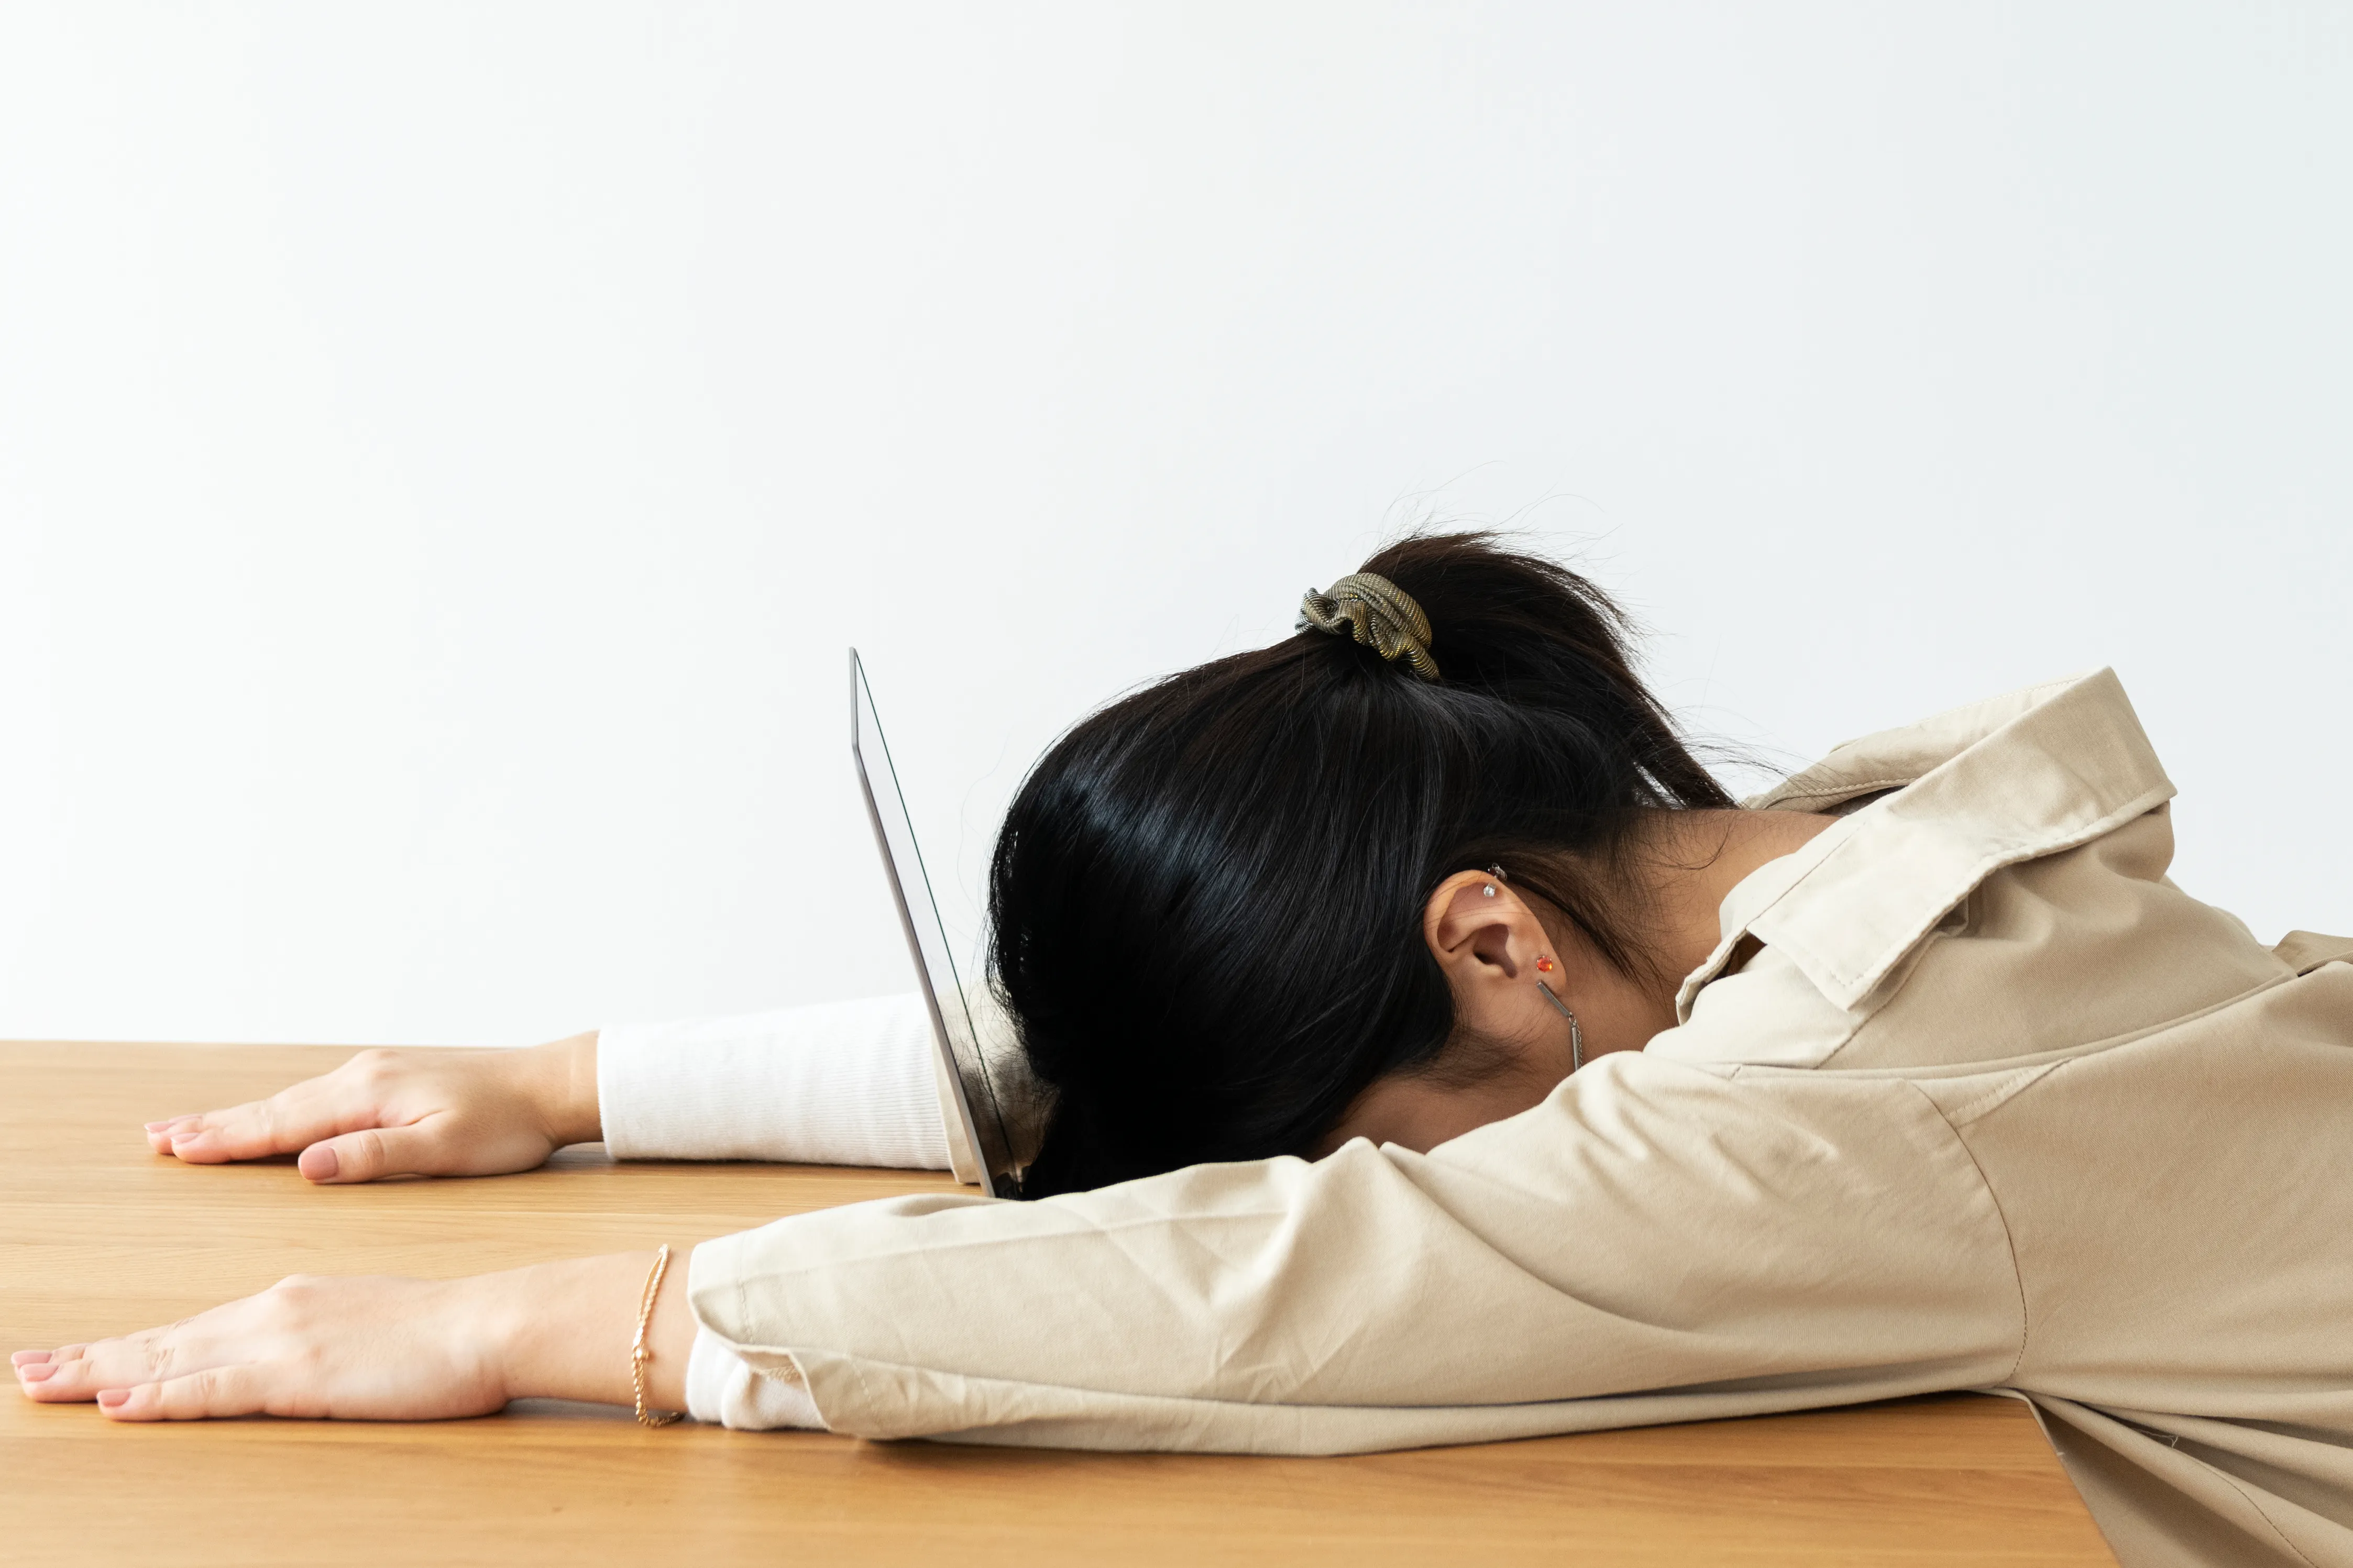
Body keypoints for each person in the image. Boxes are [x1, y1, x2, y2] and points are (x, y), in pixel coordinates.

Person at [15, 533, 2353, 1568]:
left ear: (1492, 940)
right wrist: (574, 1087)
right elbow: (1264, 1034)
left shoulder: (1856, 1124)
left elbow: (1314, 1271)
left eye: (1355, 1110)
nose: (1358, 1150)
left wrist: (583, 1315)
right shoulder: (1831, 881)